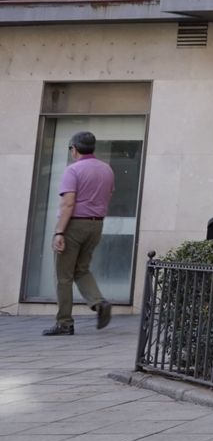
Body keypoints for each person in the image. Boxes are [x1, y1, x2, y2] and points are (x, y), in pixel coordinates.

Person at [44, 130, 115, 336]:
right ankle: (99, 303)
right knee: (82, 269)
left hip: (74, 225)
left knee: (63, 276)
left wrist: (59, 232)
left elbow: (68, 203)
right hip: (96, 225)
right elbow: (107, 197)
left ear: (74, 149)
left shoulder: (73, 170)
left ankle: (64, 322)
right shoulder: (107, 169)